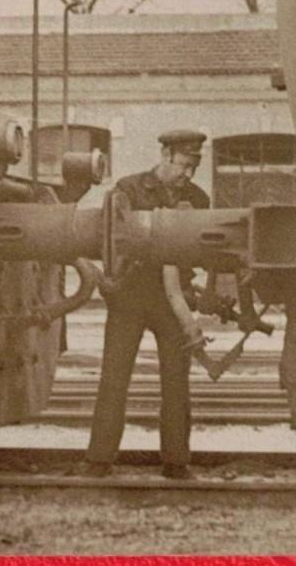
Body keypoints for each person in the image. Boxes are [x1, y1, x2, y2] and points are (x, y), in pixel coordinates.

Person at [84, 129, 210, 479]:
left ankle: (176, 461)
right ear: (166, 155)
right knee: (114, 378)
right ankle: (99, 459)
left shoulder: (199, 199)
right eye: (184, 164)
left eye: (194, 167)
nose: (188, 174)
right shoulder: (129, 189)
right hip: (129, 297)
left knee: (176, 383)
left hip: (174, 303)